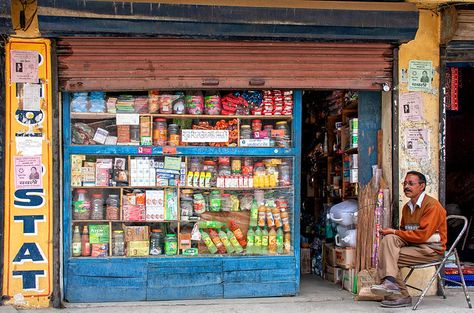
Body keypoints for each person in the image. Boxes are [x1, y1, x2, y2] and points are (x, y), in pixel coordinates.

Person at [370, 171, 447, 308]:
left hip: (431, 250)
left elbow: (422, 236)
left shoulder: (432, 206)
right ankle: (390, 283)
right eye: (405, 183)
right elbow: (404, 232)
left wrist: (394, 231)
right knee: (389, 240)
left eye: (411, 183)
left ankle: (399, 294)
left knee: (389, 258)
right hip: (415, 246)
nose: (406, 186)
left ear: (422, 186)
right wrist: (392, 234)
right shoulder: (407, 207)